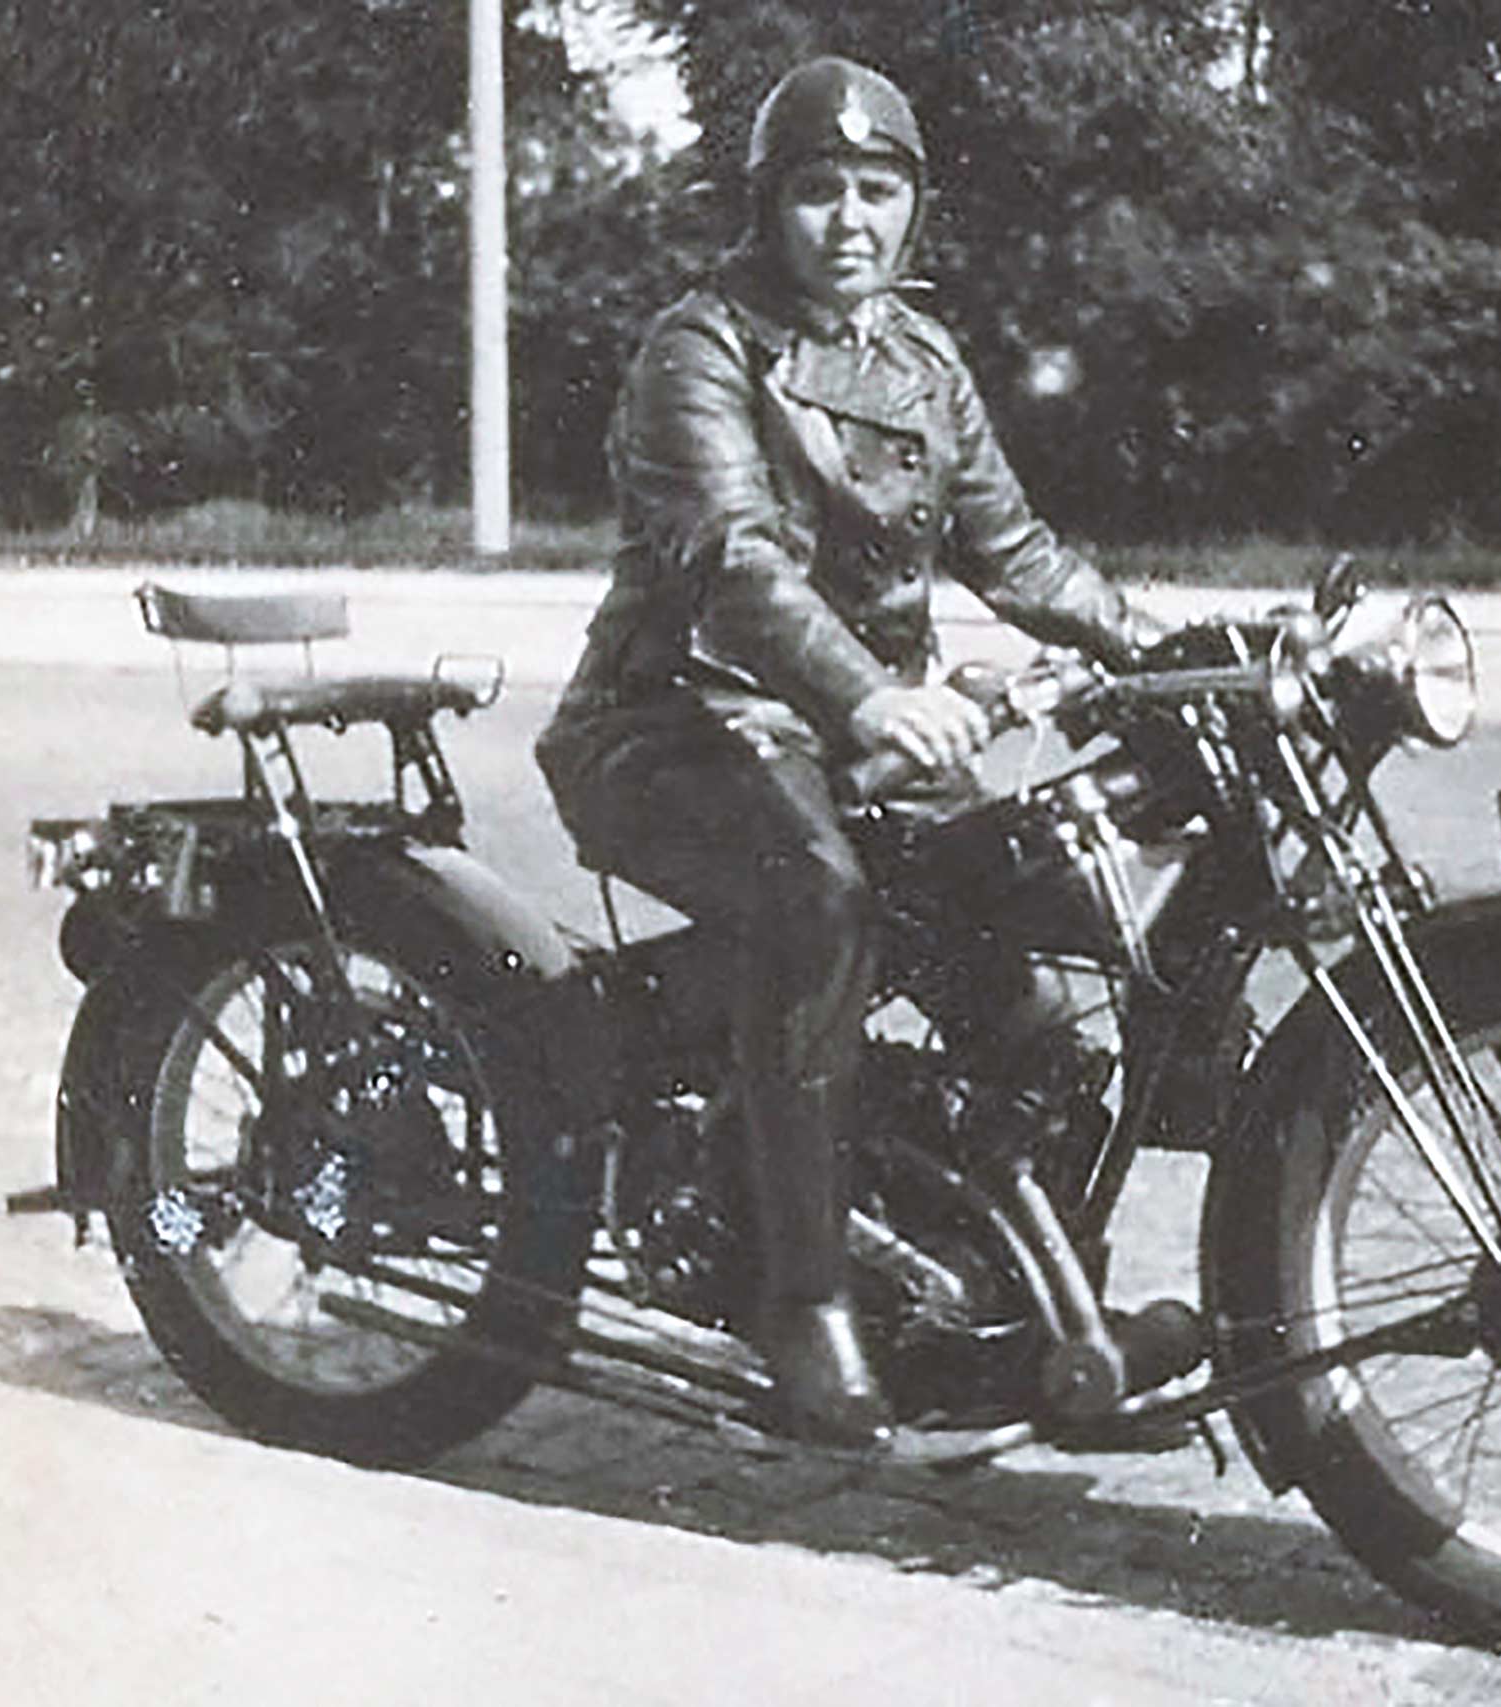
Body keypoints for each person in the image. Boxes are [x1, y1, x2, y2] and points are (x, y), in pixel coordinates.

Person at [534, 57, 1164, 1447]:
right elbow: (735, 567)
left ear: (914, 207)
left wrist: (1157, 641)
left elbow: (1015, 550)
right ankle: (801, 1299)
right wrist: (872, 697)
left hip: (851, 740)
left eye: (878, 191)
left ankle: (1035, 1310)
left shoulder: (923, 365)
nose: (850, 221)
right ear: (771, 205)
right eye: (818, 191)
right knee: (818, 906)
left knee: (1038, 947)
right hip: (676, 724)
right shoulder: (701, 348)